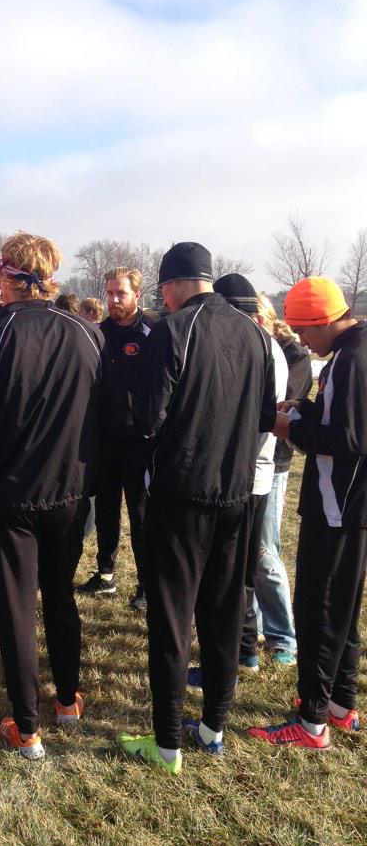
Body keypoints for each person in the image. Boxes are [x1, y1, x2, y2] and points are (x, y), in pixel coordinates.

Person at [118, 242, 276, 774]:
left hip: (182, 494)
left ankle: (167, 745)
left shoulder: (173, 329)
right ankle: (213, 728)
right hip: (237, 492)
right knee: (223, 611)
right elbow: (262, 416)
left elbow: (147, 417)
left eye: (162, 291)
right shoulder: (254, 330)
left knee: (172, 617)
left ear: (172, 284)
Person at [0, 232, 104, 760]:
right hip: (67, 490)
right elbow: (101, 424)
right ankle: (64, 702)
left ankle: (30, 725)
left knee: (17, 606)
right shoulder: (85, 333)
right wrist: (92, 494)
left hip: (14, 495)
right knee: (59, 595)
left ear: (9, 279)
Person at [250, 277, 366, 749]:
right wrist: (306, 409)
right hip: (347, 506)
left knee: (319, 610)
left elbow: (349, 440)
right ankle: (340, 704)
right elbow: (342, 419)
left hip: (339, 504)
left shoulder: (352, 360)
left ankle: (313, 722)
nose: (300, 339)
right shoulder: (350, 351)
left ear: (324, 321)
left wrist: (286, 427)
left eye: (303, 329)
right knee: (344, 608)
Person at [212, 274, 288, 674]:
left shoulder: (258, 346)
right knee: (238, 572)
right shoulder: (263, 343)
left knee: (236, 574)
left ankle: (242, 653)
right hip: (249, 473)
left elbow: (259, 418)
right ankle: (245, 651)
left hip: (249, 476)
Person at [77, 268, 155, 610]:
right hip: (104, 439)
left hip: (139, 442)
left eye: (120, 293)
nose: (113, 300)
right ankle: (105, 573)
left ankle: (146, 583)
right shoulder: (99, 333)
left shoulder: (153, 332)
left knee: (141, 516)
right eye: (109, 293)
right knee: (106, 509)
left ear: (136, 295)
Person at [250, 293, 312, 659]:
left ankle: (284, 636)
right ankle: (254, 627)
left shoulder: (293, 354)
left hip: (274, 461)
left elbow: (280, 405)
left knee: (264, 550)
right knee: (251, 551)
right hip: (252, 458)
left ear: (269, 318)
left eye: (257, 318)